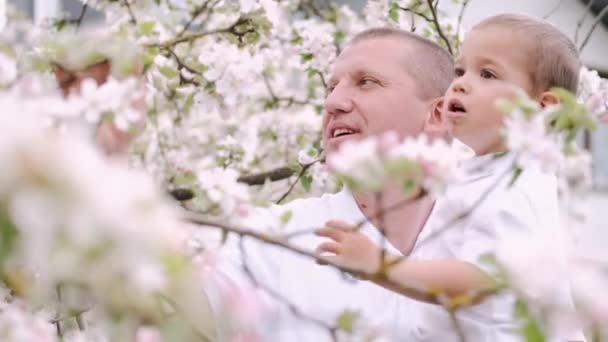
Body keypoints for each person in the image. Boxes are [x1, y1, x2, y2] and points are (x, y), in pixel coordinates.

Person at [315, 14, 585, 341]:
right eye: (460, 71)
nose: (460, 83)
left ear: (542, 108)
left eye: (487, 74)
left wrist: (381, 266)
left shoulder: (514, 186)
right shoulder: (485, 172)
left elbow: (479, 280)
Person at [203, 28, 454, 341]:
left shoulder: (496, 234)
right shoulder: (271, 240)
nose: (333, 102)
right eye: (331, 87)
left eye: (366, 82)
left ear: (438, 115)